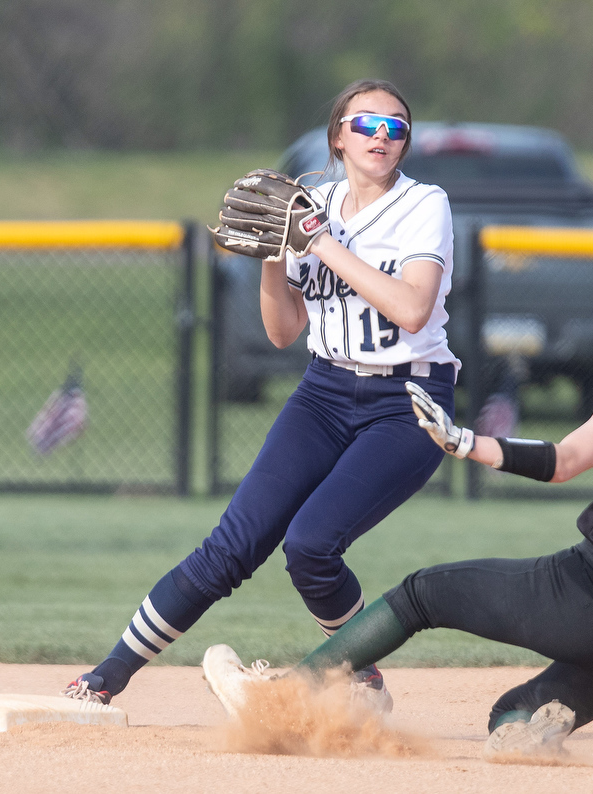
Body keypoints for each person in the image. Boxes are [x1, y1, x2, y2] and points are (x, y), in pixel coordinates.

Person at [202, 256, 593, 759]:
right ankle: (537, 731)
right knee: (512, 717)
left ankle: (283, 699)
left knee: (423, 594)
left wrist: (471, 443)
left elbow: (564, 461)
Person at [63, 79, 459, 709]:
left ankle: (359, 672)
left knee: (310, 546)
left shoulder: (423, 204)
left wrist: (318, 242)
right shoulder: (312, 202)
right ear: (338, 137)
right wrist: (276, 255)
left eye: (396, 127)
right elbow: (282, 331)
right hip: (325, 392)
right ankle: (109, 673)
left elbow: (413, 309)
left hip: (408, 402)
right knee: (232, 545)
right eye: (366, 125)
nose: (382, 136)